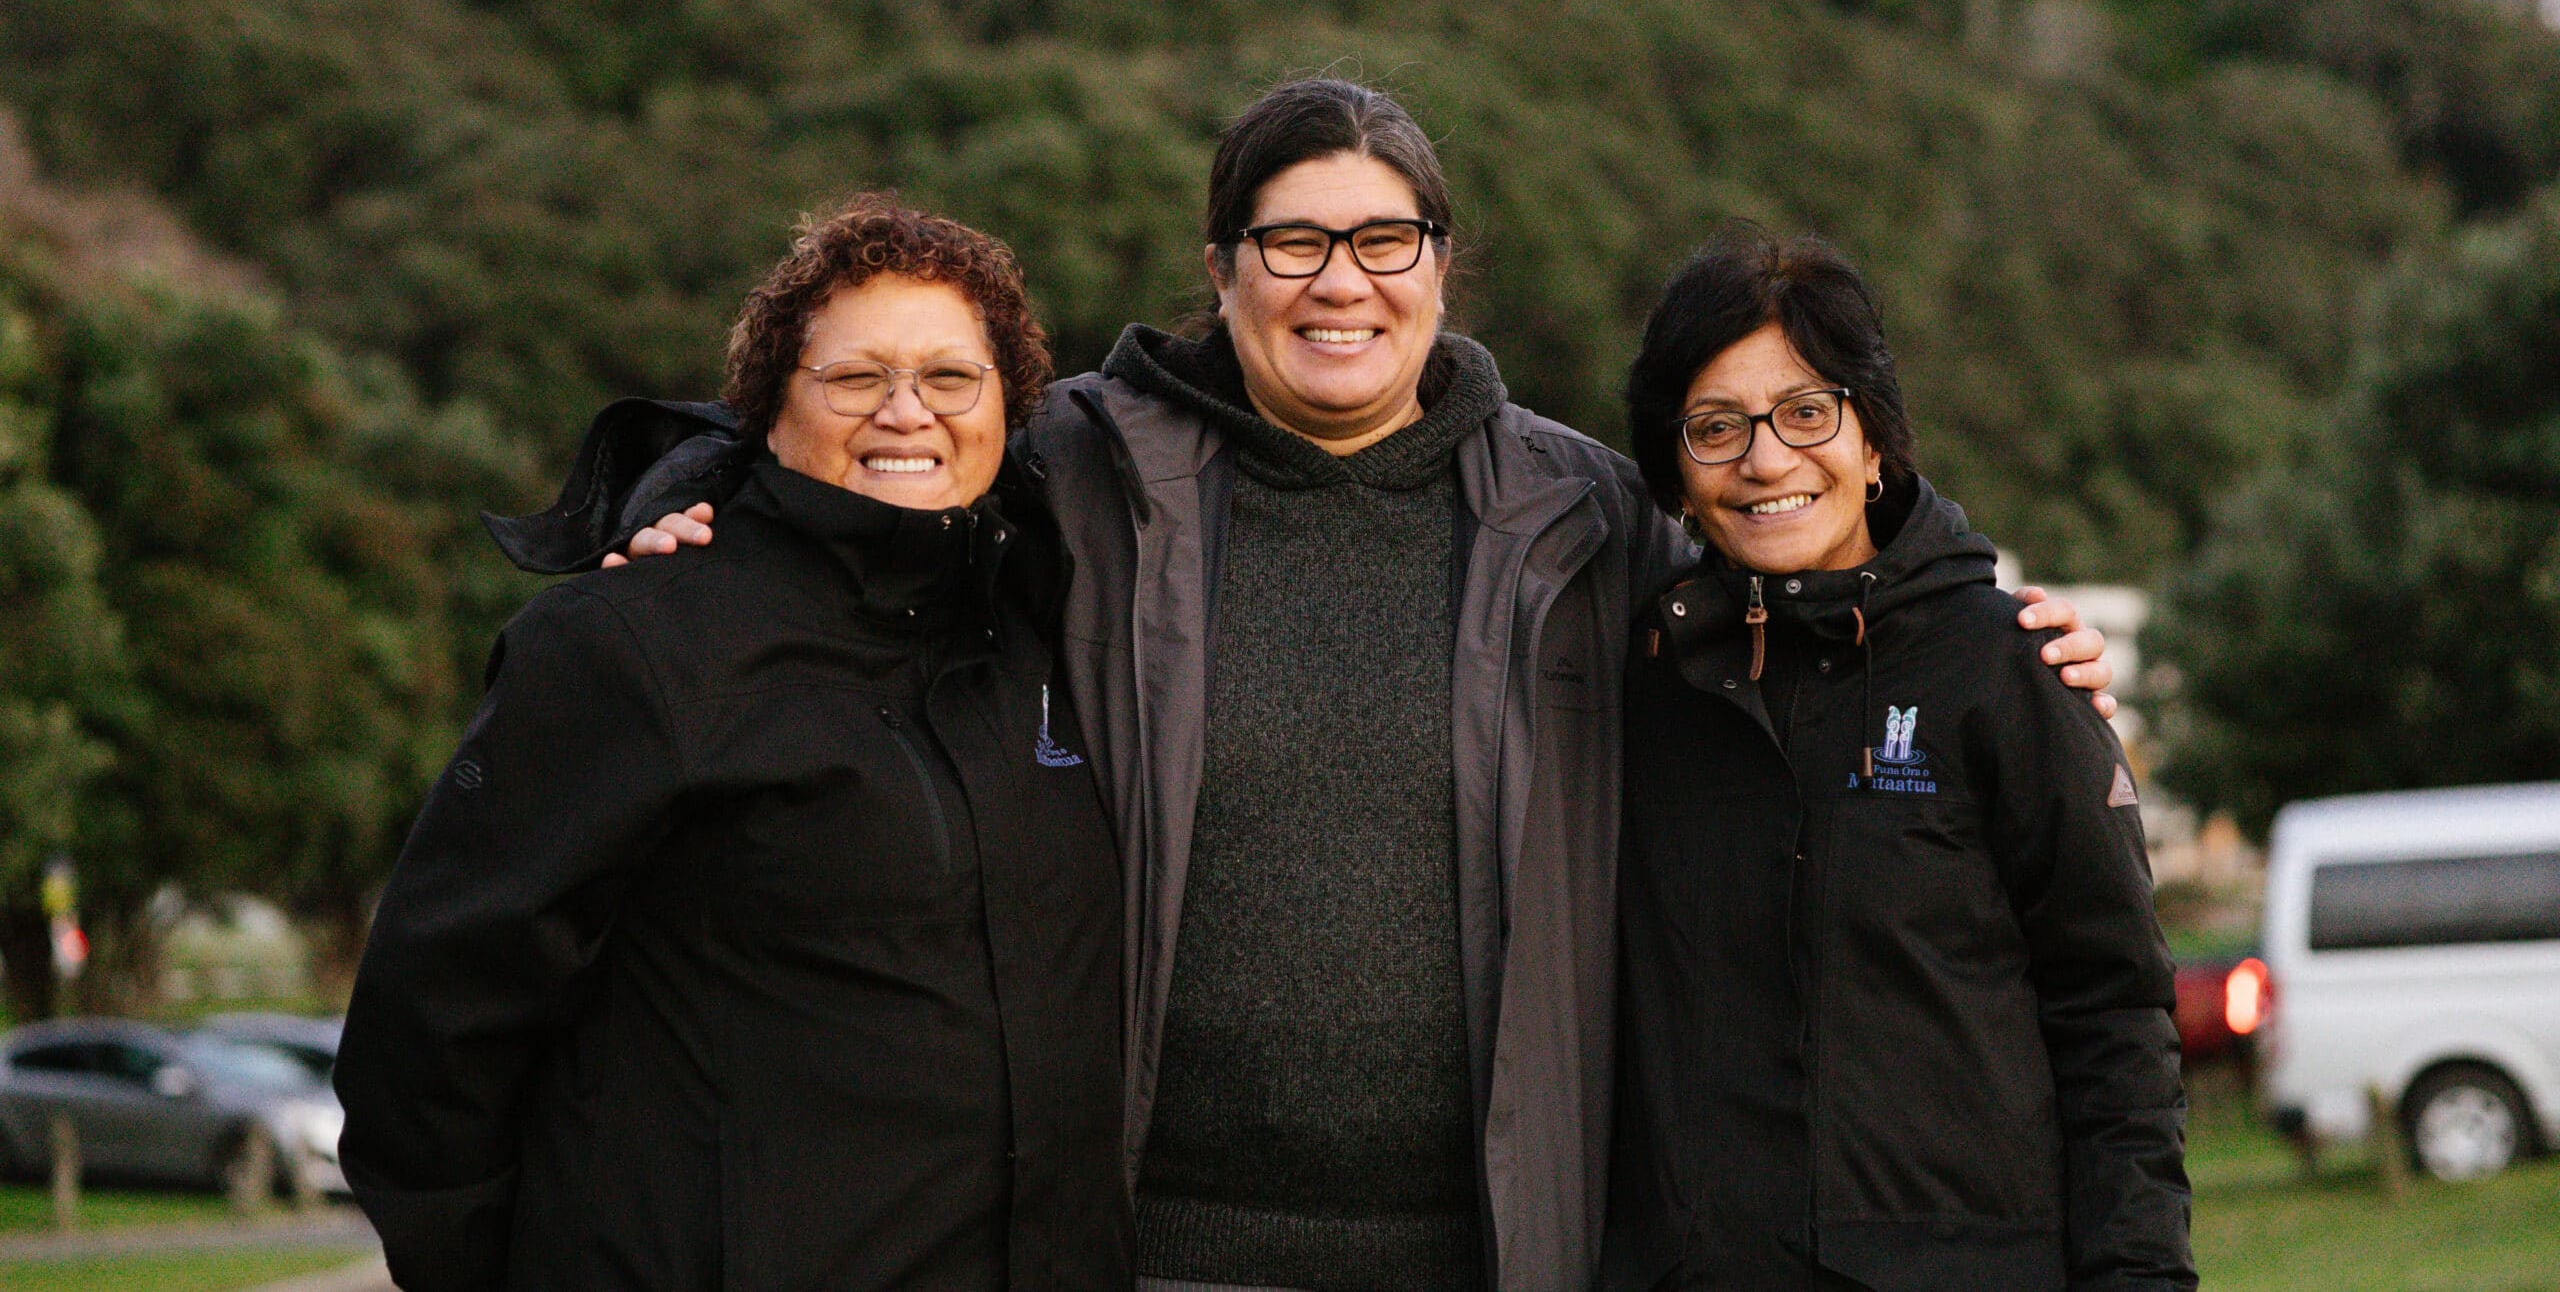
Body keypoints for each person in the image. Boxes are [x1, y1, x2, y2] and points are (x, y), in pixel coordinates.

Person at [551, 79, 2118, 1292]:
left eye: (1384, 240)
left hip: (1493, 1249)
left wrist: (1979, 609)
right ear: (1223, 265)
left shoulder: (1583, 521)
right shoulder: (1083, 467)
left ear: (1440, 264)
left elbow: (1807, 537)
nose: (1339, 283)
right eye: (1292, 239)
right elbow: (876, 432)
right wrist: (677, 512)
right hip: (1147, 1243)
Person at [333, 199, 1130, 1292]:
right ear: (765, 410)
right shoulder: (629, 643)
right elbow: (429, 1028)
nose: (908, 414)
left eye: (952, 379)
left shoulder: (1049, 626)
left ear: (1007, 406)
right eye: (856, 379)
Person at [1603, 227, 2192, 1291]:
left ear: (1874, 440)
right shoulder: (1634, 684)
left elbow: (2113, 1019)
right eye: (1714, 427)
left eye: (1805, 412)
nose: (1766, 459)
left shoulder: (2003, 670)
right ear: (1675, 478)